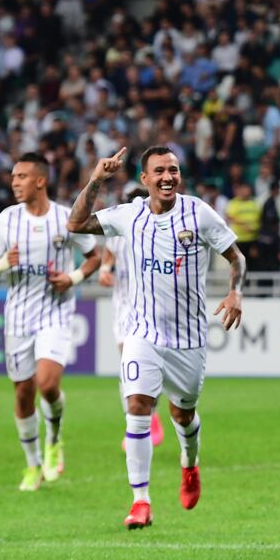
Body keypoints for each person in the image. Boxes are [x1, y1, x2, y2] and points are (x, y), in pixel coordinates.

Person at [67, 145, 246, 530]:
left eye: (174, 170)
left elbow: (236, 257)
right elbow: (75, 225)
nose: (168, 177)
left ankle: (189, 465)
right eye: (159, 171)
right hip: (142, 333)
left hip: (189, 339)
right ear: (144, 179)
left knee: (183, 414)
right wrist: (97, 179)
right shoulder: (129, 215)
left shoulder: (198, 213)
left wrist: (236, 292)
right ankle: (140, 501)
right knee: (137, 406)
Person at [0, 152, 101, 491]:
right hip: (18, 316)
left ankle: (55, 440)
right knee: (23, 394)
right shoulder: (6, 220)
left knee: (47, 385)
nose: (14, 182)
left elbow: (95, 258)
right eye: (13, 177)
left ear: (40, 180)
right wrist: (4, 264)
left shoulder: (66, 218)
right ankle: (32, 464)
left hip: (56, 312)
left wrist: (73, 278)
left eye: (21, 176)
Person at [98, 181, 164, 450]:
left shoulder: (157, 231)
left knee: (149, 368)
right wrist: (104, 269)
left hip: (150, 307)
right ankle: (136, 422)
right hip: (123, 306)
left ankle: (149, 414)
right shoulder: (119, 229)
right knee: (129, 366)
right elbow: (109, 255)